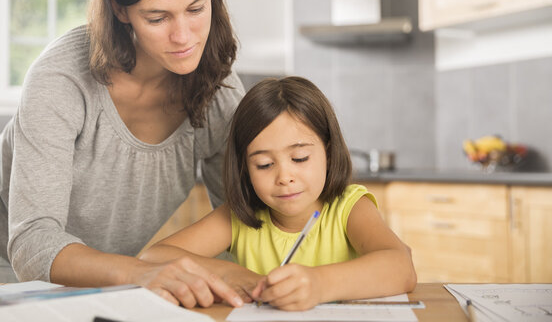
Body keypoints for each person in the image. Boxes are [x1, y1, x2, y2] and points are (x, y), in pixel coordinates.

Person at [0, 0, 253, 309]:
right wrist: (142, 273)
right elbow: (32, 242)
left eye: (195, 8)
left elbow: (242, 213)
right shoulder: (61, 77)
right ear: (118, 7)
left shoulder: (219, 87)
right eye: (158, 18)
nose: (184, 37)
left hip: (110, 265)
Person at [139, 76, 417, 311]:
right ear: (245, 168)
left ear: (329, 154)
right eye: (264, 165)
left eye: (299, 158)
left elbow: (401, 267)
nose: (284, 177)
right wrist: (232, 273)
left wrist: (319, 285)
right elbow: (153, 257)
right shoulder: (239, 216)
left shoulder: (349, 207)